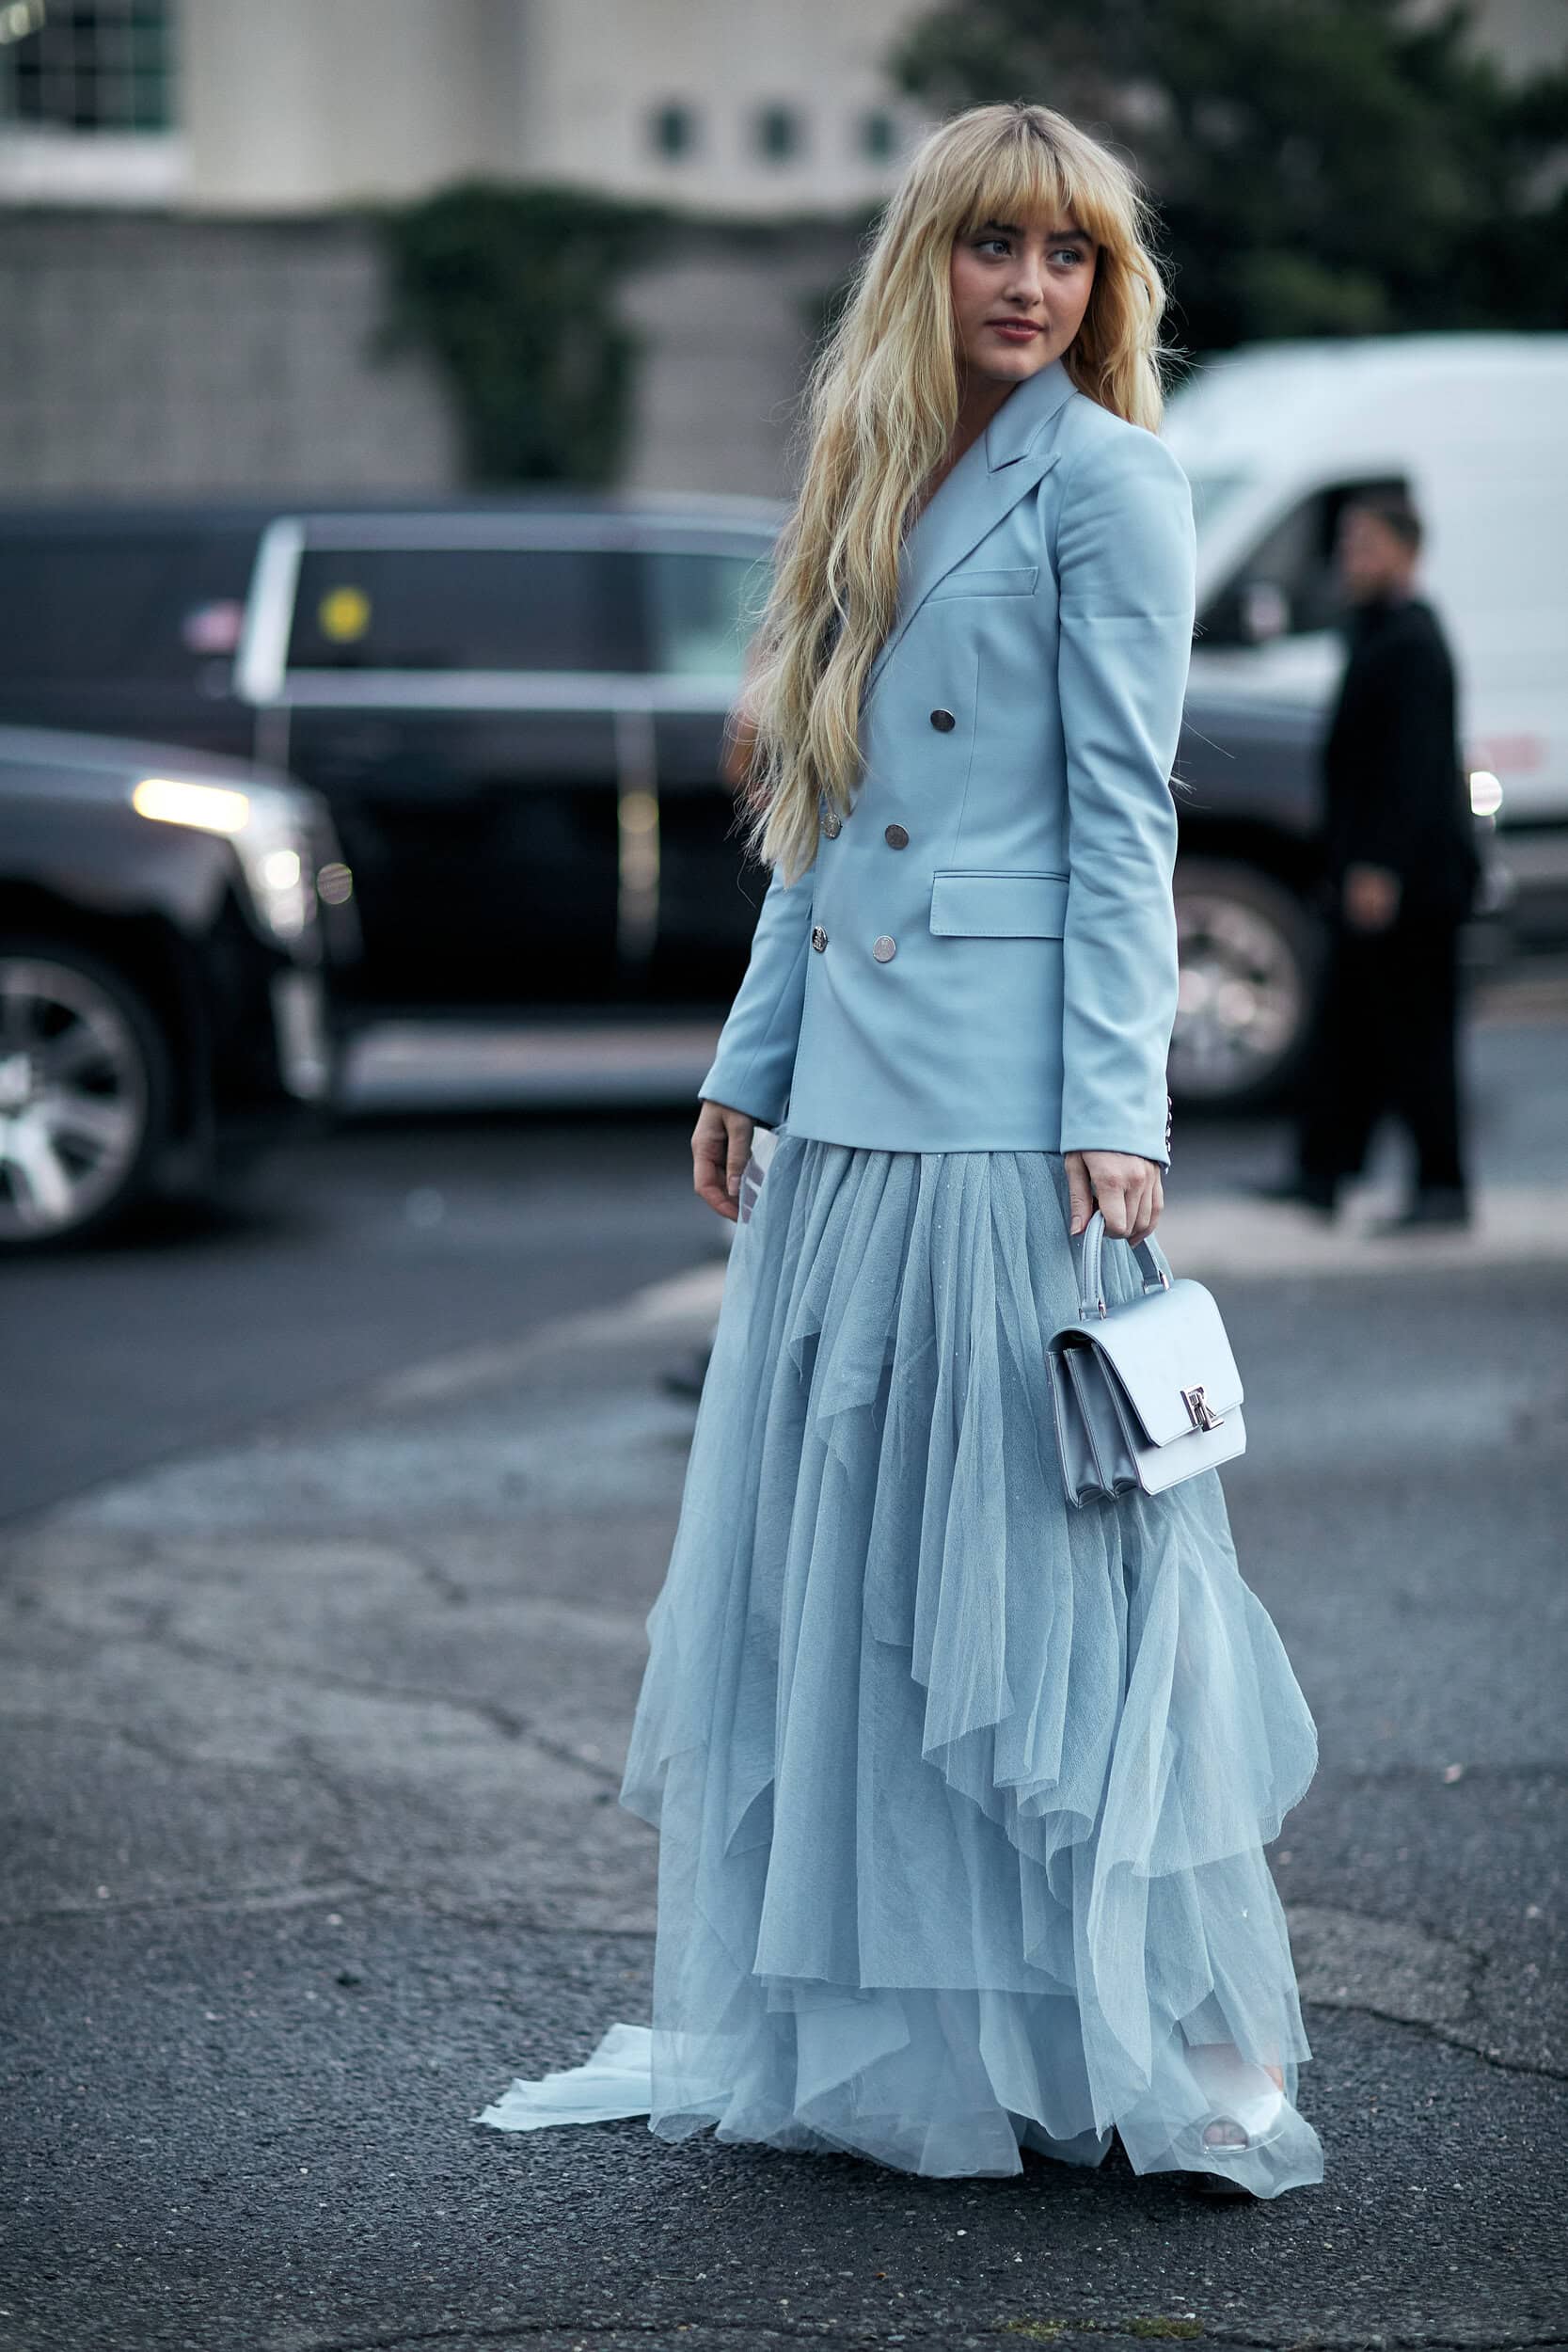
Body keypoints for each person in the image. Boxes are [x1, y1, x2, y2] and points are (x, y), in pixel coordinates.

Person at [476, 100, 1323, 2201]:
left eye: (1066, 251)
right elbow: (825, 811)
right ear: (921, 261)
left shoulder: (1109, 480)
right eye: (990, 244)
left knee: (1042, 1566)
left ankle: (1112, 2030)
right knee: (850, 1578)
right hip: (851, 1107)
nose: (1028, 284)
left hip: (1005, 1112)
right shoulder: (868, 466)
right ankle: (904, 2032)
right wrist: (746, 1060)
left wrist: (1114, 1108)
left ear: (1102, 283)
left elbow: (1122, 815)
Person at [1257, 493, 1480, 1231]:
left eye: (1366, 546)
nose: (1350, 560)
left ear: (1405, 553)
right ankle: (1322, 1172)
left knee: (1416, 1036)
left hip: (1410, 881)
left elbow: (1413, 768)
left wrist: (1378, 867)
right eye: (1347, 545)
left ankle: (1441, 1188)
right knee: (1347, 1027)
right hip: (1370, 868)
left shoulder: (1411, 640)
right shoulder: (1374, 631)